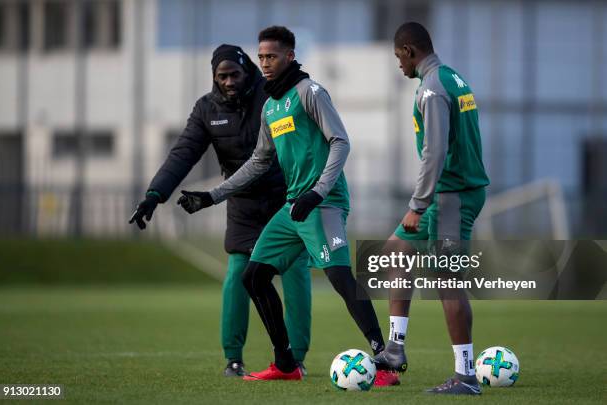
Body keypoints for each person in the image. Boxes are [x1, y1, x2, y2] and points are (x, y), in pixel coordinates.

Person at [177, 26, 398, 386]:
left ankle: (384, 362)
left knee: (341, 278)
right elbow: (259, 162)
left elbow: (341, 142)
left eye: (272, 56)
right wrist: (211, 196)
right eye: (261, 57)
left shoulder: (310, 92)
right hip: (294, 205)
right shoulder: (271, 105)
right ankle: (285, 364)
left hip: (322, 203)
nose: (265, 63)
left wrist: (318, 192)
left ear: (289, 57)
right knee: (253, 276)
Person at [128, 44, 312, 378]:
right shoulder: (206, 109)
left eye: (235, 74)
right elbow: (183, 153)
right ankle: (234, 359)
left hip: (285, 197)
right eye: (221, 76)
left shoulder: (272, 97)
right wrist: (155, 195)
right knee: (238, 273)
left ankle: (295, 358)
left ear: (247, 72)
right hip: (241, 202)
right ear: (214, 77)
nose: (228, 82)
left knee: (294, 269)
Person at [373, 22, 490, 395]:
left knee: (447, 284)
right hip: (450, 193)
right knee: (395, 251)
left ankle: (466, 376)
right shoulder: (454, 78)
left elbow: (435, 152)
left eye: (397, 57)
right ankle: (394, 348)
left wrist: (417, 205)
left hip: (450, 198)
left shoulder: (431, 89)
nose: (398, 65)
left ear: (408, 51)